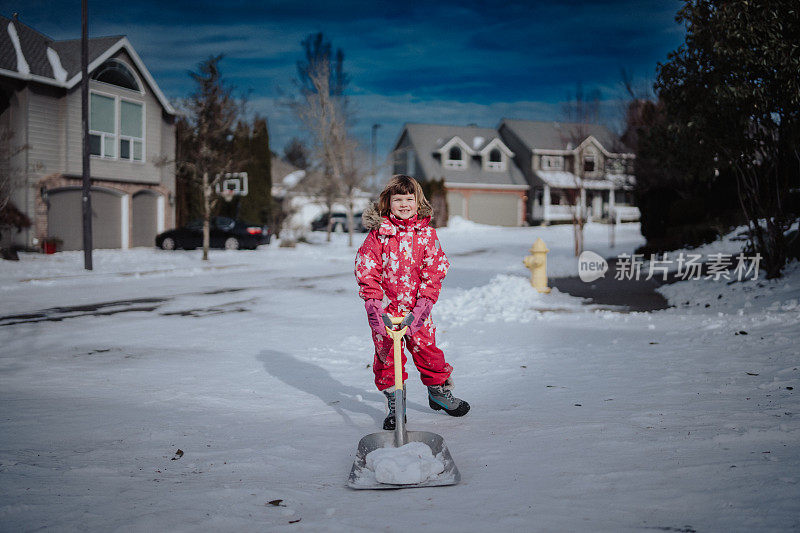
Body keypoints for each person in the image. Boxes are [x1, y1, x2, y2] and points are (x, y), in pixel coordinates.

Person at [355, 174, 470, 430]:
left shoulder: (427, 235)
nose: (404, 204)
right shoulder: (378, 236)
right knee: (386, 360)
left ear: (418, 202)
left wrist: (422, 308)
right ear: (388, 202)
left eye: (410, 199)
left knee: (429, 353)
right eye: (398, 199)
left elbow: (435, 270)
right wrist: (374, 308)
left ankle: (438, 393)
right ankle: (396, 404)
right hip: (386, 314)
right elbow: (367, 271)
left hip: (418, 313)